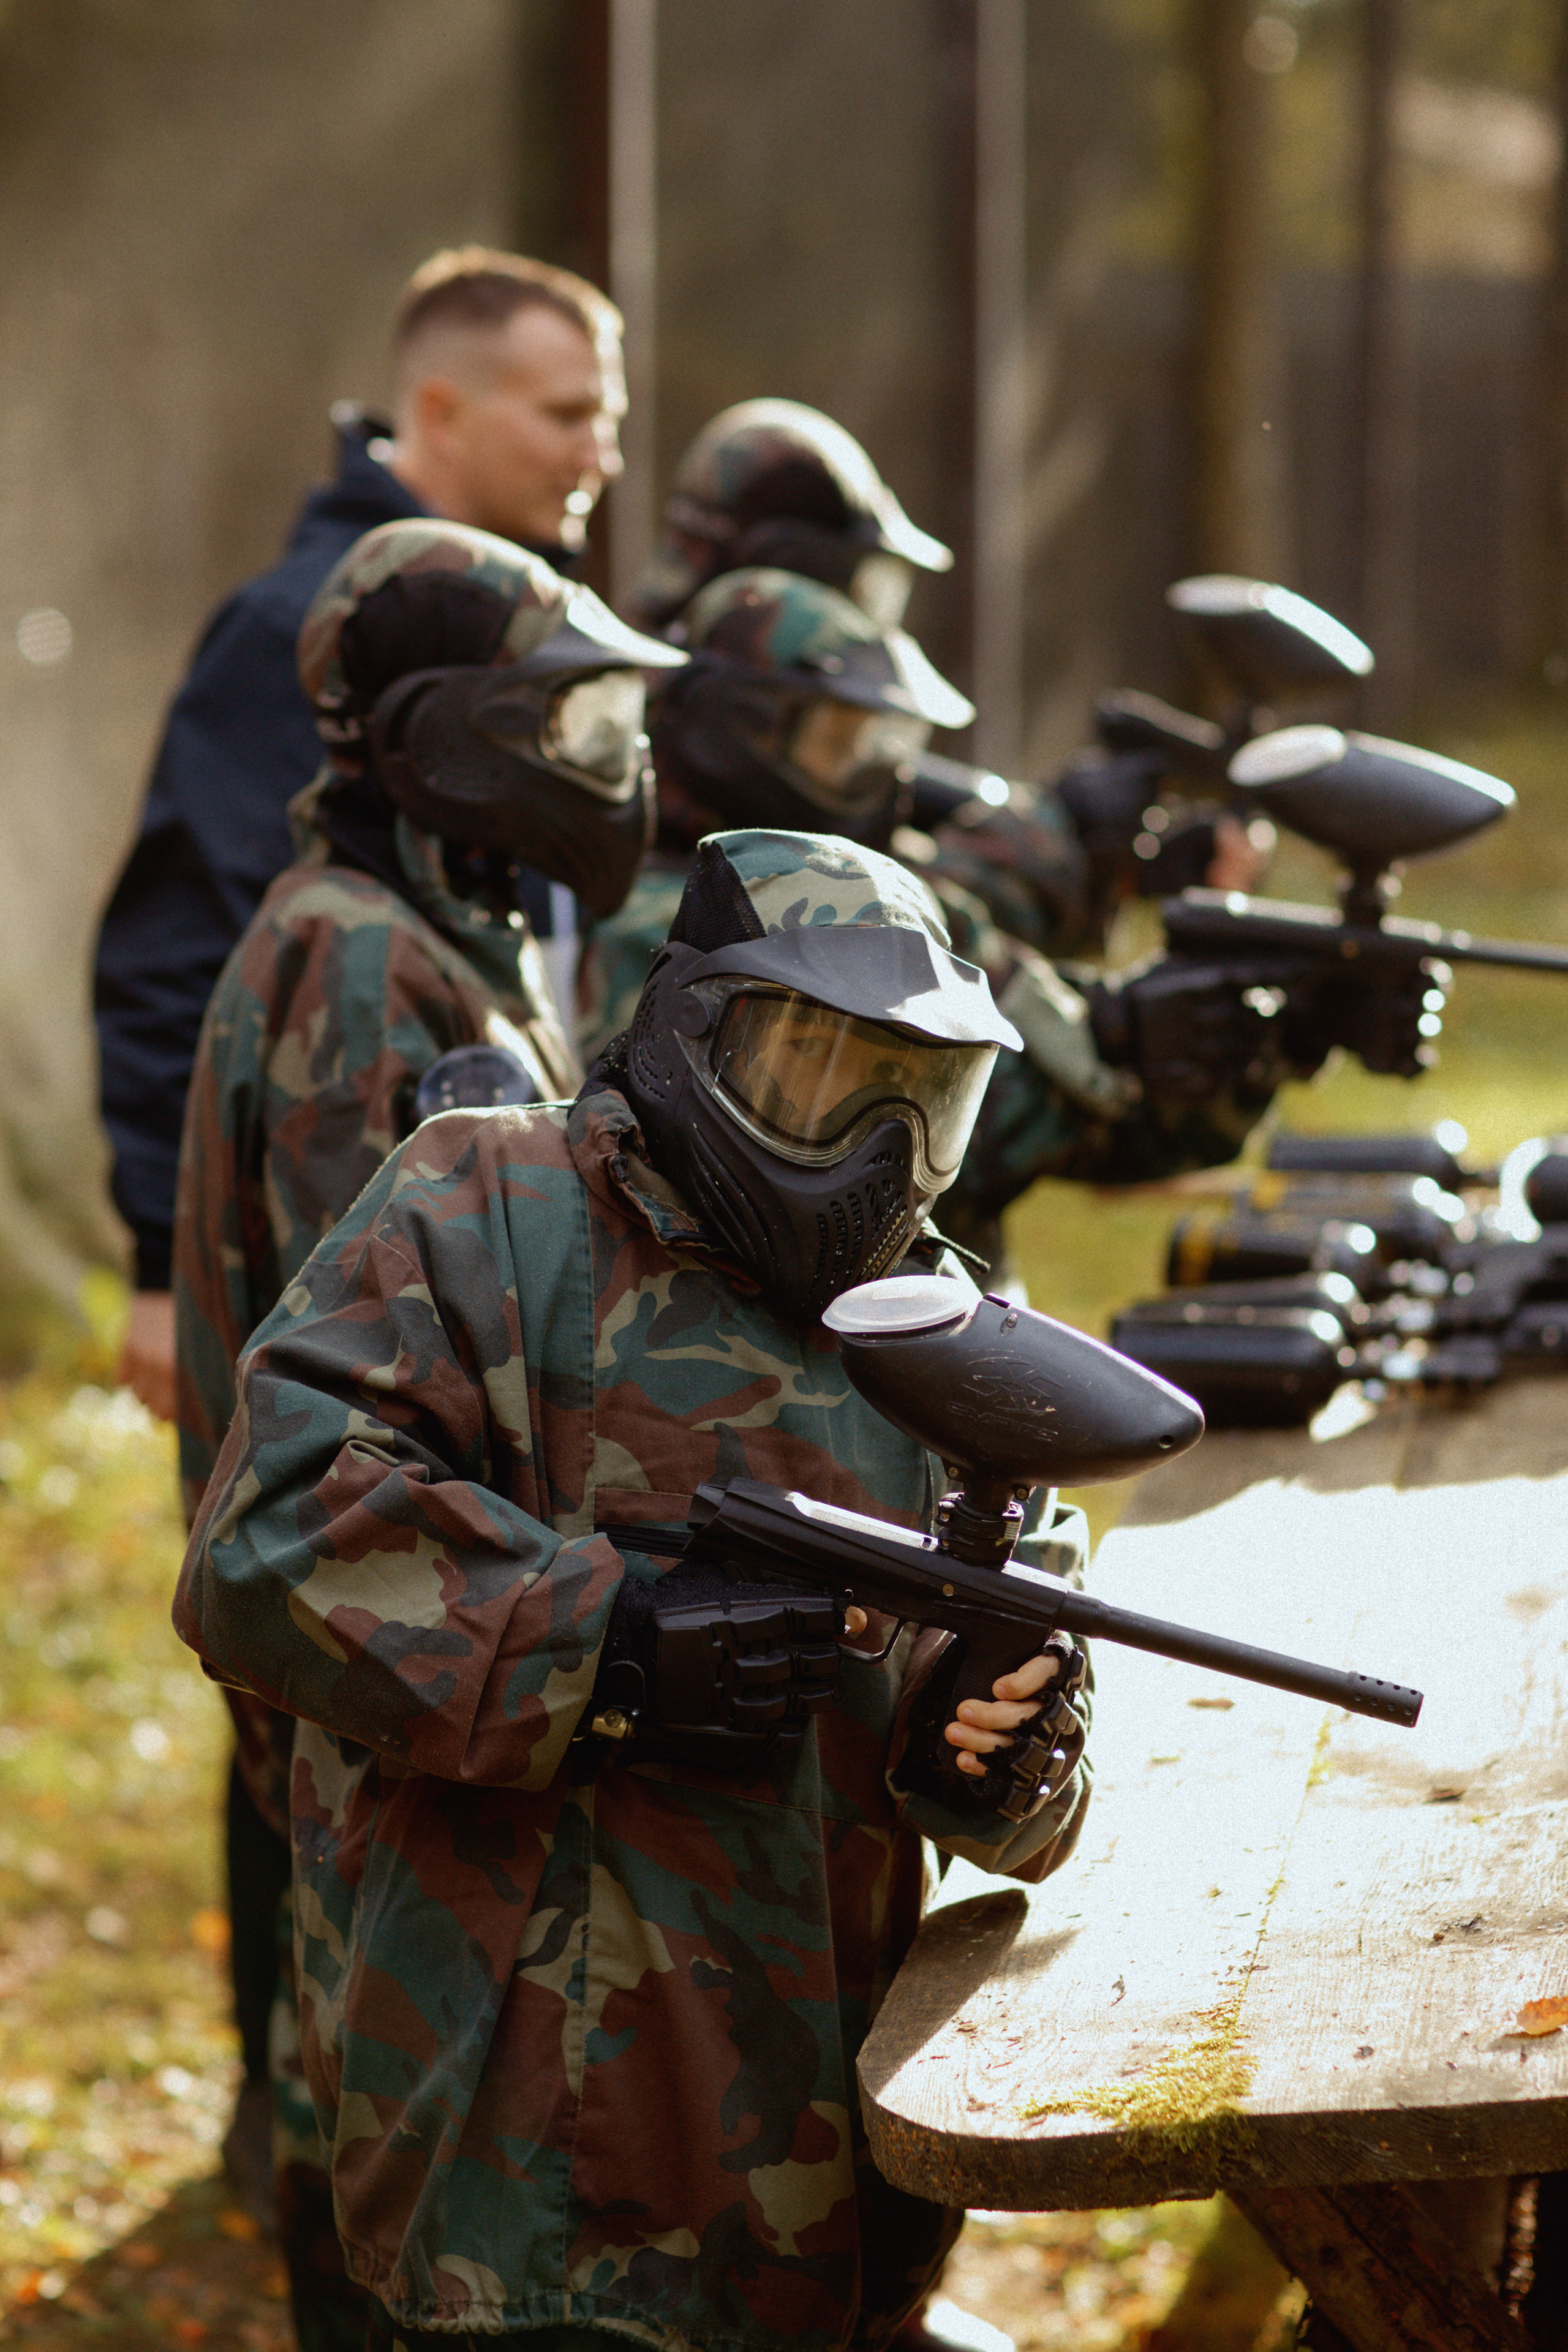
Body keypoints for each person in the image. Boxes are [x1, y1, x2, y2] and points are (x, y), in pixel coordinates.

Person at [175, 826, 1092, 2352]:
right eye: (818, 1069)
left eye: (917, 1097)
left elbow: (1032, 1671)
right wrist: (605, 1643)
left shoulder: (945, 1333)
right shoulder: (485, 1206)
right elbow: (264, 1537)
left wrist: (996, 1732)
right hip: (527, 2157)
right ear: (694, 1037)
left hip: (826, 2143)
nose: (869, 1143)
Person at [173, 516, 680, 2302]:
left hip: (427, 1676)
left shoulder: (415, 933)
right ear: (454, 737)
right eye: (573, 726)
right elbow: (373, 1404)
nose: (610, 774)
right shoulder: (366, 967)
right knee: (422, 2186)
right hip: (398, 1690)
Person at [96, 244, 625, 1423]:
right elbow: (180, 939)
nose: (606, 456)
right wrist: (153, 1260)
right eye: (569, 413)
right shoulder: (294, 628)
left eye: (611, 417)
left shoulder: (536, 637)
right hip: (319, 1253)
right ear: (442, 409)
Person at [582, 568, 1318, 1271]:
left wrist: (1265, 1035)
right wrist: (1120, 1034)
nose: (880, 780)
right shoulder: (667, 924)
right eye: (839, 745)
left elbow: (1114, 1133)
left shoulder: (891, 904)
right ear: (733, 727)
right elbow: (929, 1133)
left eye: (880, 746)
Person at [624, 398, 1265, 960]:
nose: (873, 621)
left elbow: (894, 827)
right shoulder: (665, 734)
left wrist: (1104, 858)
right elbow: (840, 913)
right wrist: (1044, 838)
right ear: (781, 566)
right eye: (866, 585)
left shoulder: (688, 700)